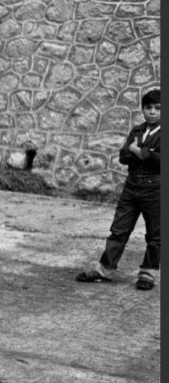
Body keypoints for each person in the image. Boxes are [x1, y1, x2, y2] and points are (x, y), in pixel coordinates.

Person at [76, 87, 160, 291]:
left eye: (158, 108)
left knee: (156, 235)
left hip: (155, 190)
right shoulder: (137, 130)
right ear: (142, 109)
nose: (152, 112)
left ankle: (148, 274)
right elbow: (123, 156)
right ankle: (103, 269)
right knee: (119, 230)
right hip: (131, 187)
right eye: (148, 107)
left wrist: (137, 150)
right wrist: (143, 153)